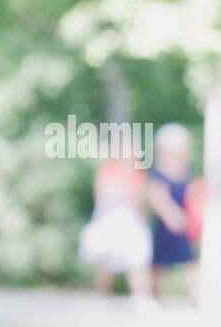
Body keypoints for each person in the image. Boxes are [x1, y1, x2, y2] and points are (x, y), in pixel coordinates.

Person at [78, 143, 152, 298]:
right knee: (106, 262)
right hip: (111, 220)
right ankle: (102, 296)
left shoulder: (139, 173)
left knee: (137, 260)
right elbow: (101, 197)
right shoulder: (108, 171)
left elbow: (141, 201)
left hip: (132, 221)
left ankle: (141, 297)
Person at [148, 122, 199, 302]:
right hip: (166, 224)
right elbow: (157, 196)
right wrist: (171, 215)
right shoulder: (159, 172)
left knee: (190, 261)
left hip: (183, 223)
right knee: (158, 264)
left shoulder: (186, 171)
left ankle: (197, 298)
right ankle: (154, 298)